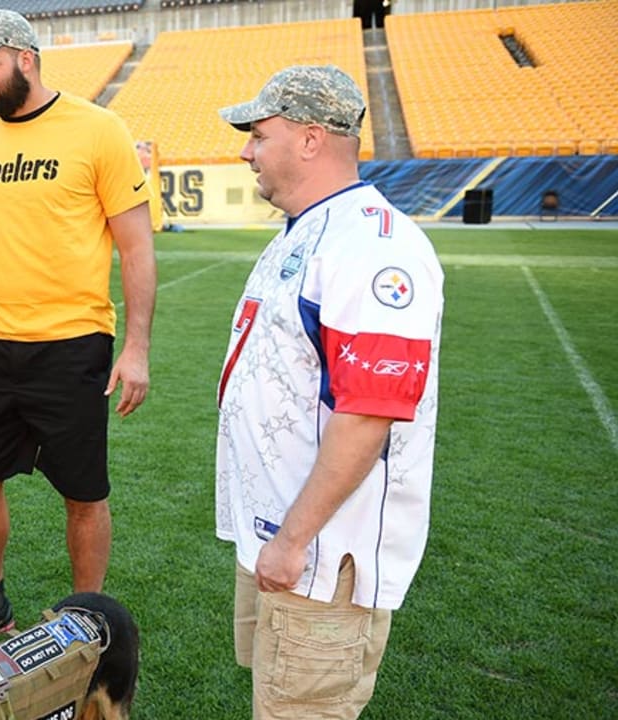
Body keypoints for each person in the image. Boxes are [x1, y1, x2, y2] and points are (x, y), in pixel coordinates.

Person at [0, 8, 157, 649]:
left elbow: (135, 247)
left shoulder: (99, 130)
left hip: (72, 344)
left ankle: (86, 616)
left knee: (83, 491)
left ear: (26, 58)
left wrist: (135, 348)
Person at [214, 65, 444, 718]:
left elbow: (369, 412)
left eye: (259, 134)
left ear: (311, 139)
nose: (245, 150)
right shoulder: (308, 231)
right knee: (273, 696)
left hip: (319, 559)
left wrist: (292, 541)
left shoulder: (372, 250)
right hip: (282, 539)